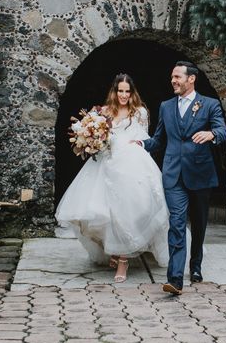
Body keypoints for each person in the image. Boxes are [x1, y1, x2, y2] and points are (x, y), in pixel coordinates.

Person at [56, 73, 169, 282]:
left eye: (127, 91)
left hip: (131, 164)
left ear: (132, 92)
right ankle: (114, 251)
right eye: (120, 91)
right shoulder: (103, 112)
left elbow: (144, 139)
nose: (124, 95)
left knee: (127, 211)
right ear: (114, 91)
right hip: (106, 164)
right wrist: (92, 140)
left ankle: (124, 261)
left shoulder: (140, 112)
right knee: (105, 212)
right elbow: (98, 138)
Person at [136, 61, 226, 295]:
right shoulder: (166, 107)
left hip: (201, 174)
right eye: (172, 77)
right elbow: (159, 140)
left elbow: (222, 131)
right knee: (176, 224)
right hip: (173, 174)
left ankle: (195, 265)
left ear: (191, 79)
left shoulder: (209, 104)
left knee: (198, 223)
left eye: (178, 77)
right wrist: (140, 144)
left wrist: (211, 134)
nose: (173, 81)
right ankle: (175, 279)